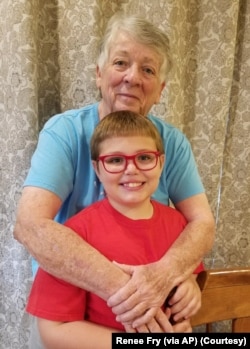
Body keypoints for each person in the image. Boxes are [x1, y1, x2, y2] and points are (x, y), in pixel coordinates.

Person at [14, 12, 215, 330]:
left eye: (147, 69)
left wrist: (174, 280)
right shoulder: (64, 133)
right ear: (98, 73)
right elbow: (29, 226)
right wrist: (133, 294)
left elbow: (201, 224)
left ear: (160, 89)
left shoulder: (173, 143)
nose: (133, 77)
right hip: (72, 315)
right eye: (121, 63)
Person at [26, 111, 204, 349]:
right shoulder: (72, 238)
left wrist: (190, 290)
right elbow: (53, 331)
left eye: (144, 157)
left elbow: (190, 273)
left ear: (161, 163)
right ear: (97, 169)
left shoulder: (181, 226)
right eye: (115, 160)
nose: (131, 169)